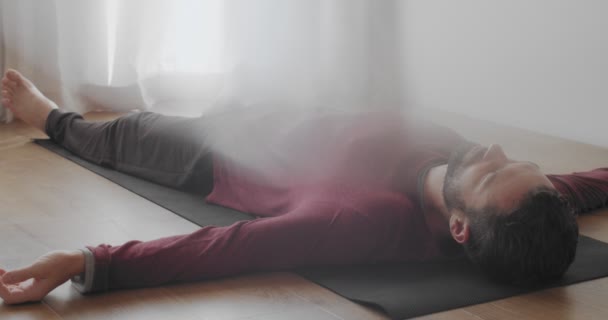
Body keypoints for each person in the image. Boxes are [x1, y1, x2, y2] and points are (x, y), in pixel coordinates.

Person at [0, 69, 605, 305]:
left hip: (215, 151)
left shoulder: (354, 220)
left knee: (117, 133)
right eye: (516, 161)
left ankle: (52, 115)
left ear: (459, 227)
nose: (495, 152)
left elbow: (226, 249)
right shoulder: (519, 201)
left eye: (493, 171)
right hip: (289, 108)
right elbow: (589, 183)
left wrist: (84, 262)